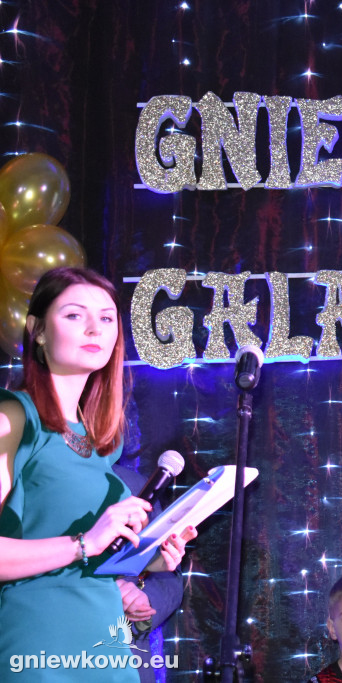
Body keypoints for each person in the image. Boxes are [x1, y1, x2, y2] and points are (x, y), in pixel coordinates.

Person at [0, 267, 196, 682]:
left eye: (107, 318)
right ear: (37, 330)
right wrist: (84, 543)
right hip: (39, 645)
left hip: (105, 647)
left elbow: (85, 555)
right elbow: (79, 546)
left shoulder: (98, 443)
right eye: (74, 315)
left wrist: (150, 558)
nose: (95, 328)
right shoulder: (13, 417)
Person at [113, 463, 185, 683]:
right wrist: (104, 593)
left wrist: (142, 603)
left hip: (125, 655)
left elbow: (168, 581)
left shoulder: (136, 485)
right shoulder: (28, 479)